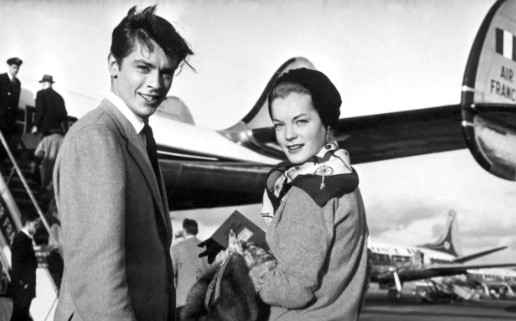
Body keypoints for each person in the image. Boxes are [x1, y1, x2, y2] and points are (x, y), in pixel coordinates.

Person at [52, 5, 193, 321]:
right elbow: (99, 282)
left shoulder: (136, 134)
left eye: (166, 71)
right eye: (143, 67)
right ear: (113, 65)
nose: (156, 83)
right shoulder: (97, 138)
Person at [252, 68, 370, 320]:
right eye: (279, 125)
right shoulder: (345, 181)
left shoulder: (308, 193)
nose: (288, 135)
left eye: (301, 121)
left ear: (326, 122)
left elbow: (294, 290)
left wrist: (252, 272)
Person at [171, 219, 210, 319]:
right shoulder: (206, 247)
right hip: (203, 300)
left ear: (184, 230)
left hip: (183, 300)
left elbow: (171, 274)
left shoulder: (176, 248)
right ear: (197, 230)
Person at [10, 213, 39, 321]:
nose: (36, 228)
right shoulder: (21, 239)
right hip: (23, 287)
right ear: (27, 224)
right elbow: (19, 264)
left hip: (25, 286)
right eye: (34, 225)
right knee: (19, 314)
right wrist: (24, 283)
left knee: (21, 315)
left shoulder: (24, 239)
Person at [0, 57, 22, 161]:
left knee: (4, 145)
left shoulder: (17, 83)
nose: (16, 70)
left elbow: (15, 103)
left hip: (8, 121)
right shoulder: (1, 78)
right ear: (9, 67)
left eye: (17, 68)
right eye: (14, 67)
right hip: (0, 118)